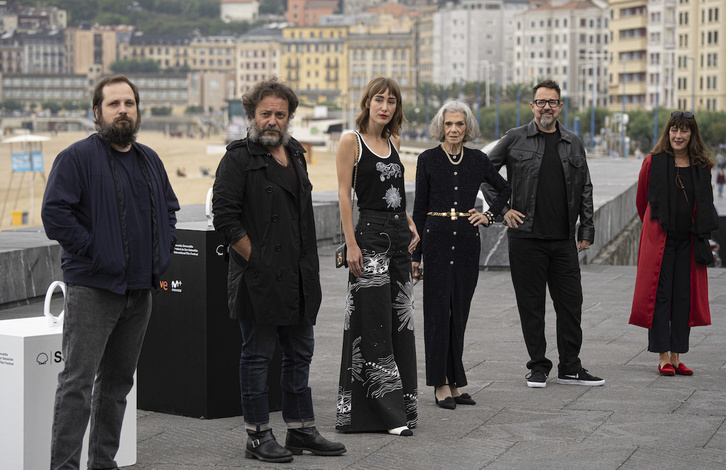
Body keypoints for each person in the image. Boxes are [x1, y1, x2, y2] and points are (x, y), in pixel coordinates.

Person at [41, 75, 180, 469]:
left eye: (129, 103)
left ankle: (103, 463)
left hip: (140, 291)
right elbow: (55, 214)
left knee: (117, 385)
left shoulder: (149, 159)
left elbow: (170, 210)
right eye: (114, 104)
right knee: (77, 385)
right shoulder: (76, 157)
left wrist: (161, 253)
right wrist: (96, 250)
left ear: (137, 110)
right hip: (93, 289)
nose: (122, 110)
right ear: (97, 111)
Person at [213, 77, 346, 463]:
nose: (273, 121)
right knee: (257, 356)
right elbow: (225, 218)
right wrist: (257, 261)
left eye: (280, 114)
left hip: (298, 276)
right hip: (258, 277)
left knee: (300, 353)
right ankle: (257, 436)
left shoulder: (296, 153)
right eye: (266, 114)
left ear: (290, 117)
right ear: (252, 115)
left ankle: (301, 429)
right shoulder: (237, 158)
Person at [481, 79, 605, 388]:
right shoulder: (514, 138)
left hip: (563, 239)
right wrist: (503, 209)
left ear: (560, 106)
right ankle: (538, 366)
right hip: (525, 239)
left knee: (571, 305)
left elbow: (585, 187)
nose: (546, 107)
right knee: (531, 307)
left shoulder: (573, 142)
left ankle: (570, 366)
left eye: (552, 102)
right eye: (541, 102)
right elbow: (483, 174)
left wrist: (586, 227)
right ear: (532, 106)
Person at [412, 101, 513, 409]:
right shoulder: (427, 159)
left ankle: (454, 381)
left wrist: (489, 216)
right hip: (436, 242)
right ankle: (439, 382)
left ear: (467, 127)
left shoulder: (478, 159)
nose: (454, 129)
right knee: (438, 314)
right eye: (448, 124)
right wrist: (415, 257)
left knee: (459, 313)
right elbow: (419, 209)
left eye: (459, 124)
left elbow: (505, 189)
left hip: (468, 243)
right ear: (440, 127)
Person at [335, 77, 420, 436]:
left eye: (392, 101)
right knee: (371, 323)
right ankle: (384, 416)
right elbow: (344, 195)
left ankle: (402, 409)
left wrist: (410, 222)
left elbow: (395, 191)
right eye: (379, 99)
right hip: (369, 238)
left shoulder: (394, 141)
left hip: (399, 239)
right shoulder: (350, 142)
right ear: (367, 102)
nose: (385, 107)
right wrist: (350, 243)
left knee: (400, 322)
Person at [629, 112, 719, 376]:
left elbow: (704, 204)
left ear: (692, 135)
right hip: (661, 239)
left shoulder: (702, 166)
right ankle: (662, 356)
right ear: (668, 133)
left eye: (684, 131)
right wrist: (654, 231)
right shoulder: (652, 162)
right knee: (660, 295)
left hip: (689, 240)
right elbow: (642, 202)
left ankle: (677, 356)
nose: (678, 136)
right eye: (674, 130)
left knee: (684, 296)